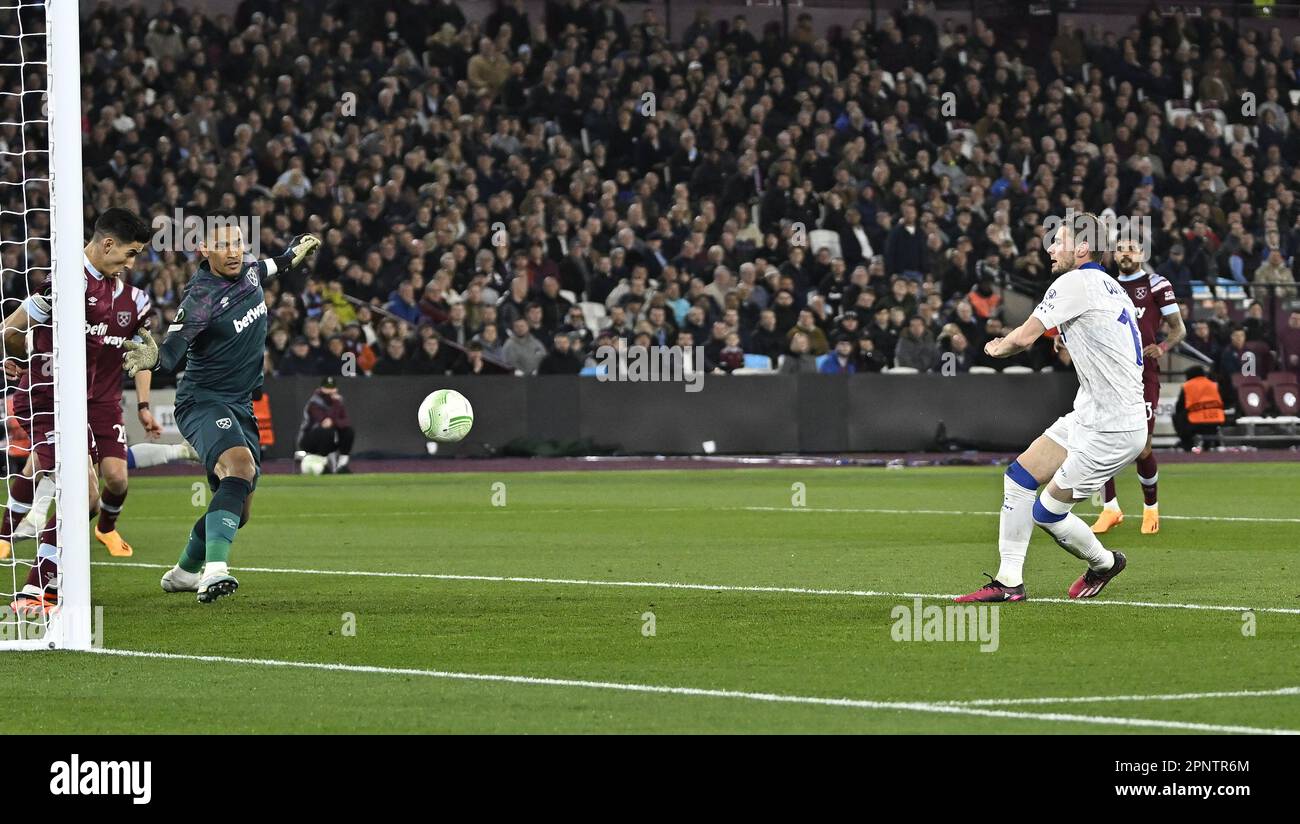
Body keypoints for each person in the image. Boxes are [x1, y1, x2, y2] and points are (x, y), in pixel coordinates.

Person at [123, 218, 320, 603]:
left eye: (238, 244)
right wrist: (154, 359)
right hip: (203, 400)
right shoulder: (201, 298)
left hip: (240, 405)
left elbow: (271, 266)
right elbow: (173, 352)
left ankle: (182, 572)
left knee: (238, 509)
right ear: (204, 251)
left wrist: (291, 256)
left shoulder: (249, 272)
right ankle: (215, 572)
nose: (232, 251)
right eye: (223, 245)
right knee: (240, 469)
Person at [956, 213, 1145, 603]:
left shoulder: (1074, 282)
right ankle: (1009, 582)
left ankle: (1105, 563)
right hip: (1091, 414)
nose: (1050, 250)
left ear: (1082, 248)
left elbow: (1023, 338)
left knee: (1047, 513)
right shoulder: (1110, 287)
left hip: (1113, 428)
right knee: (1020, 476)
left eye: (1058, 242)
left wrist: (995, 346)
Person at [0, 208, 149, 610]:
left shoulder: (105, 283)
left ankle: (36, 584)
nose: (131, 263)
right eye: (129, 253)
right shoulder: (68, 280)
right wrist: (26, 356)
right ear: (106, 244)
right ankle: (34, 588)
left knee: (96, 491)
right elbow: (11, 329)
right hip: (52, 397)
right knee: (82, 495)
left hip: (86, 400)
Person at [1092, 238, 1186, 536]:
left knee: (1142, 447)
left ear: (1142, 253)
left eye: (1131, 249)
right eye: (1120, 249)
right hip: (1110, 372)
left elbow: (1178, 328)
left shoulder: (1157, 283)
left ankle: (1150, 510)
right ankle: (1110, 509)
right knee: (1102, 440)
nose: (1125, 254)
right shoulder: (1105, 284)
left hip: (1144, 374)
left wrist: (1163, 346)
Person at [297, 376, 354, 474]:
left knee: (348, 431)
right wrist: (336, 405)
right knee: (327, 431)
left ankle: (341, 465)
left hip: (329, 439)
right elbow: (324, 422)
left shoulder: (337, 402)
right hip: (308, 440)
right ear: (321, 388)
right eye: (327, 388)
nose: (330, 390)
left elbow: (345, 421)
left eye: (332, 388)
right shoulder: (314, 402)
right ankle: (322, 465)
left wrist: (334, 420)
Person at [1173, 366, 1225, 450]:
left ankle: (1187, 444)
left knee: (1177, 417)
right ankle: (1208, 445)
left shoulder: (1187, 386)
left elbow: (1179, 406)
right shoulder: (1214, 384)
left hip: (1196, 422)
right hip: (1216, 420)